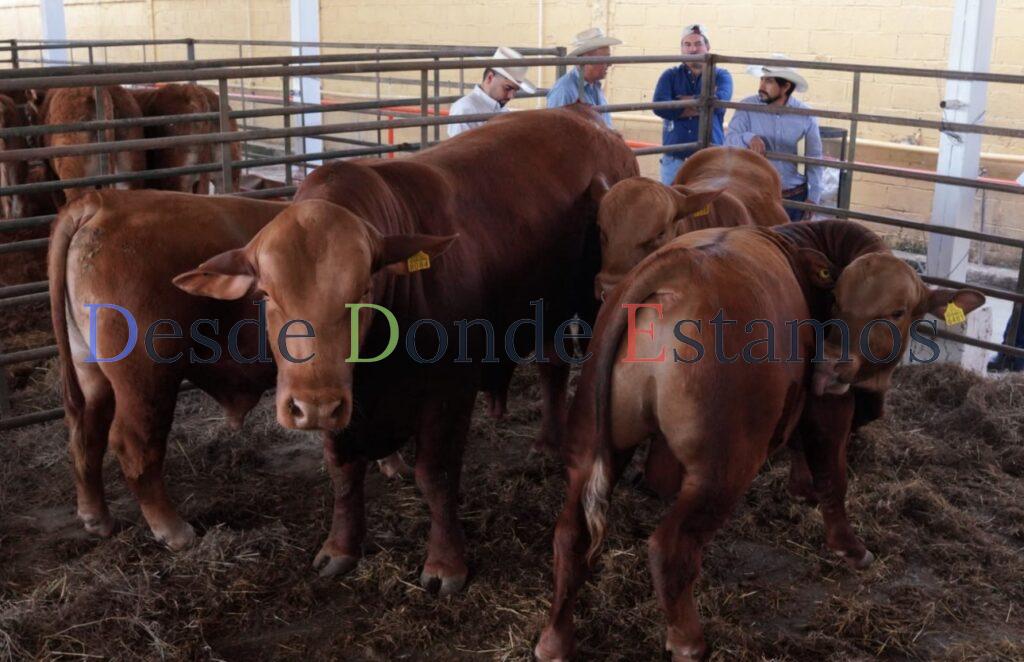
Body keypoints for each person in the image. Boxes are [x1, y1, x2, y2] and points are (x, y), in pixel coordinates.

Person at [725, 60, 823, 221]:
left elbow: (814, 157)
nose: (761, 86)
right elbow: (729, 140)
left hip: (793, 195)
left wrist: (814, 197)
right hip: (755, 195)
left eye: (769, 81)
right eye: (762, 79)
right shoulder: (747, 106)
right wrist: (748, 137)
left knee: (789, 243)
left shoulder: (805, 114)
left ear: (786, 87)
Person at [652, 24, 733, 184]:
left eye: (698, 44)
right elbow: (660, 107)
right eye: (687, 44)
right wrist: (704, 103)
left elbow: (719, 103)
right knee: (673, 204)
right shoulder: (670, 75)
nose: (692, 50)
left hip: (710, 157)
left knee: (710, 205)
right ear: (681, 48)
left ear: (707, 47)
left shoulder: (722, 75)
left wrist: (680, 102)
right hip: (675, 157)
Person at [447, 46, 536, 138]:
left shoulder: (501, 108)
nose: (511, 96)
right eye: (508, 88)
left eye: (515, 91)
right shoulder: (464, 110)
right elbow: (461, 151)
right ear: (490, 78)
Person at [546, 27, 622, 127]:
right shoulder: (564, 90)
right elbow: (556, 131)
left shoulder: (594, 85)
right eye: (605, 58)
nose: (610, 64)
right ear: (587, 59)